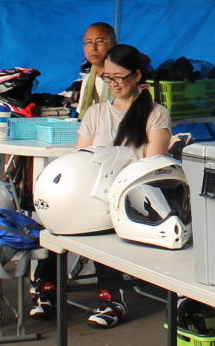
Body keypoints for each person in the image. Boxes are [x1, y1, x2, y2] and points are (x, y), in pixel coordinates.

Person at [72, 43, 170, 329]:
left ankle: (111, 299)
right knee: (52, 220)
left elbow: (153, 166)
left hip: (135, 195)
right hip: (96, 191)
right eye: (107, 77)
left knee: (103, 225)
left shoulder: (155, 113)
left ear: (137, 76)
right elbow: (81, 159)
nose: (113, 84)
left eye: (119, 77)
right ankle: (45, 289)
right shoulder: (96, 113)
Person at [70, 21, 116, 115]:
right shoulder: (88, 80)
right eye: (88, 42)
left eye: (99, 42)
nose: (93, 48)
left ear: (114, 44)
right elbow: (82, 116)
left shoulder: (122, 80)